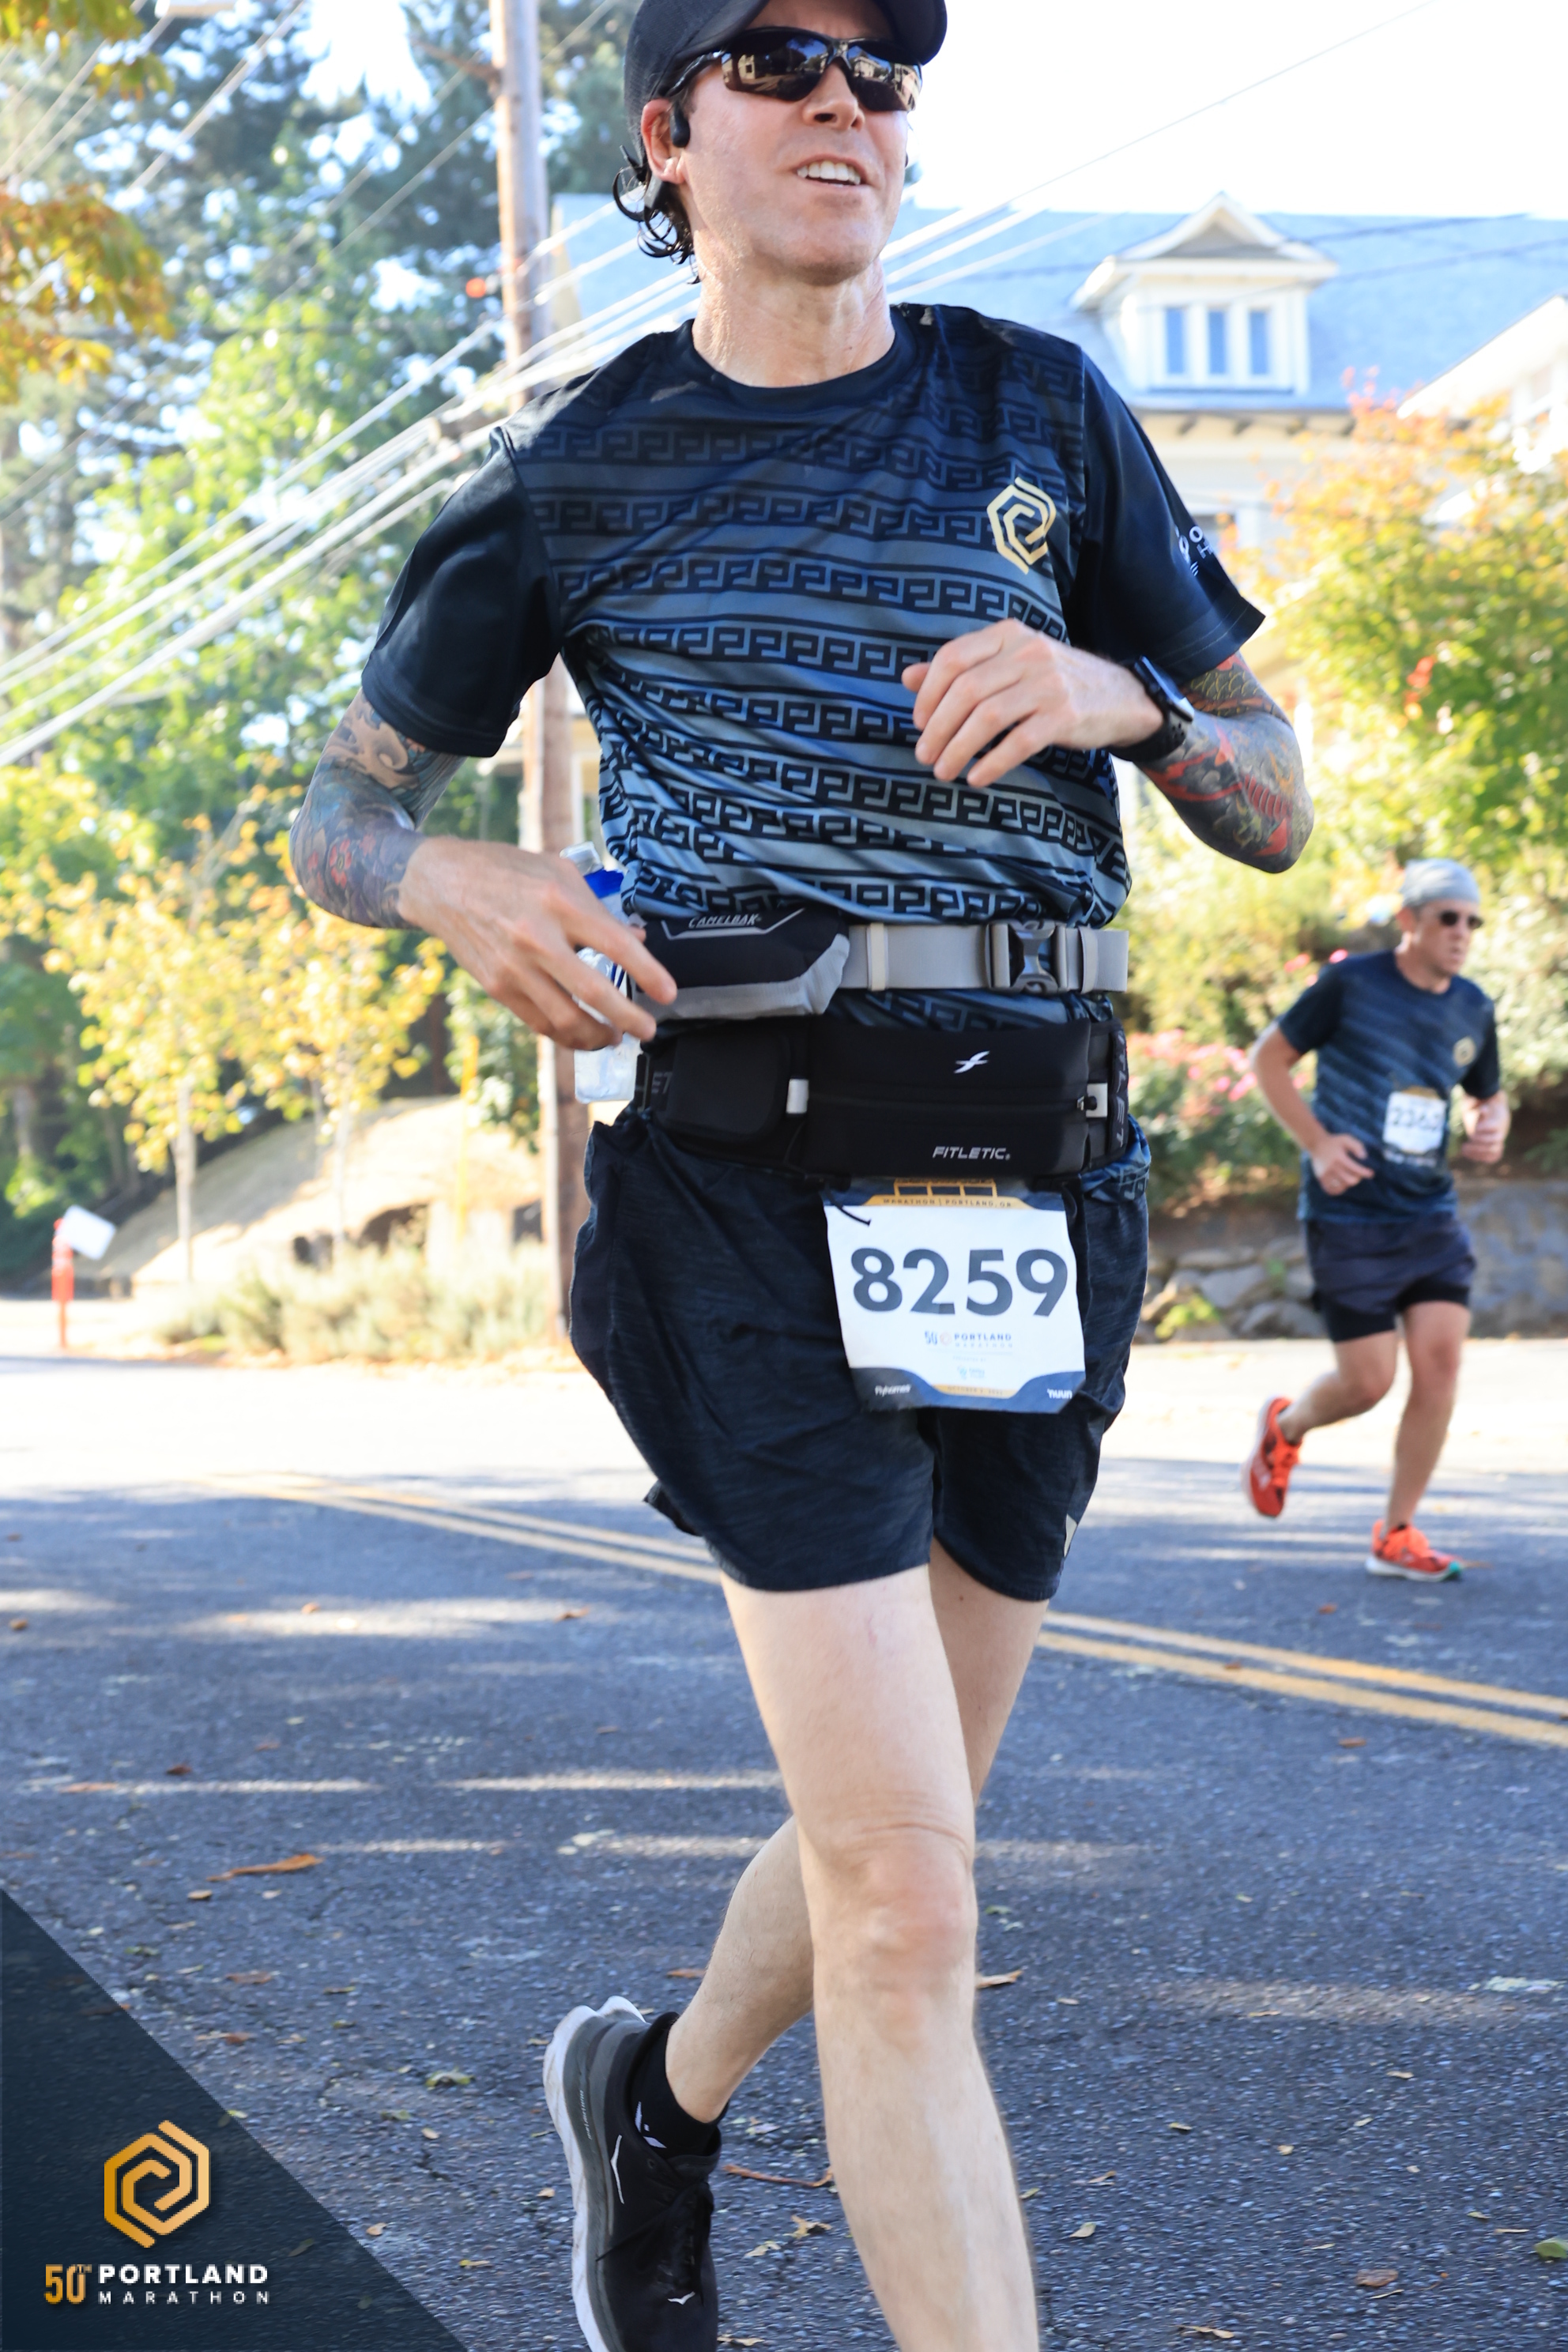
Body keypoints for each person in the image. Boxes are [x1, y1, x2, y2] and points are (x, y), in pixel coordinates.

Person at [288, 2, 1311, 2343]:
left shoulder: (1040, 408)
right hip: (743, 1185)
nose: (850, 98)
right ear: (668, 136)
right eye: (782, 60)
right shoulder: (583, 474)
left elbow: (1273, 788)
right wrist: (448, 878)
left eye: (882, 68)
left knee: (902, 1823)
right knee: (913, 1899)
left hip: (1035, 1185)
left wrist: (1122, 695)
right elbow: (339, 811)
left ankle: (651, 2094)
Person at [1242, 858, 1507, 1580]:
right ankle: (1286, 1426)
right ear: (1410, 921)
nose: (1462, 932)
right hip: (1350, 1215)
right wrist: (1319, 1144)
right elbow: (1268, 1061)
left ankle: (1396, 1533)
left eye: (1473, 921)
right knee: (1367, 1383)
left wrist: (1493, 1123)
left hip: (1428, 1213)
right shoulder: (1351, 984)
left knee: (1441, 1364)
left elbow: (1487, 1094)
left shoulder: (1474, 1006)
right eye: (1448, 917)